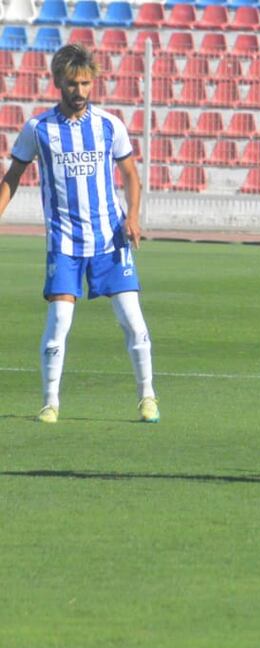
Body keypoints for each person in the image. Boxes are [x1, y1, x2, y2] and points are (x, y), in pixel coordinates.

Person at [0, 43, 158, 424]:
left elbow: (131, 176)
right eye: (73, 83)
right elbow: (12, 177)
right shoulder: (39, 129)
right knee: (58, 326)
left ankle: (148, 397)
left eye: (86, 82)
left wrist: (132, 217)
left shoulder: (109, 125)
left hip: (110, 242)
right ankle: (50, 403)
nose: (80, 91)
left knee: (133, 323)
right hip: (65, 245)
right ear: (58, 82)